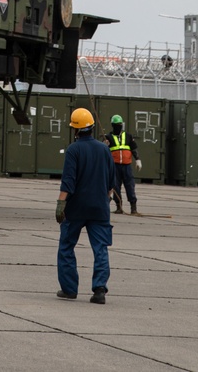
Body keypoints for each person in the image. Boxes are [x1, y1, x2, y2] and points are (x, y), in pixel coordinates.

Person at [56, 106, 114, 304]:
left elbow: (68, 182)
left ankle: (69, 289)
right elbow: (111, 185)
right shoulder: (104, 149)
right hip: (100, 208)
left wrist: (60, 205)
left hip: (76, 208)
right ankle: (99, 290)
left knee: (66, 246)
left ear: (76, 130)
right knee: (100, 249)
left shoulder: (73, 150)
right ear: (91, 127)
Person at [106, 113, 141, 215]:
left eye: (119, 124)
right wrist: (105, 144)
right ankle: (119, 207)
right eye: (116, 125)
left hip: (126, 166)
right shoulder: (108, 137)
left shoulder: (128, 136)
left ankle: (133, 208)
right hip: (115, 166)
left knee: (130, 186)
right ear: (112, 125)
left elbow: (134, 149)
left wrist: (137, 159)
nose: (118, 126)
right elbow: (104, 151)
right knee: (116, 187)